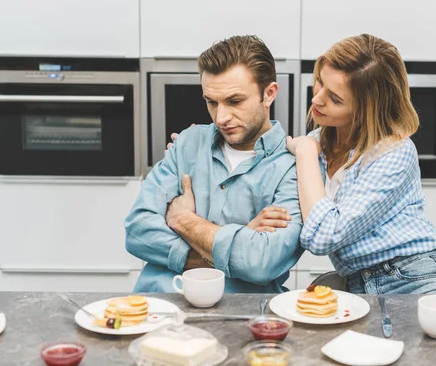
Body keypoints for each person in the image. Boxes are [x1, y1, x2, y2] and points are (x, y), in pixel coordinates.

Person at [284, 33, 436, 294]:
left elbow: (323, 236)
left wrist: (305, 154)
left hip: (415, 279)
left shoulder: (394, 152)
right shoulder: (314, 145)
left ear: (366, 109)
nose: (317, 99)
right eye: (319, 82)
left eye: (335, 98)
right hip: (358, 285)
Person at [125, 35, 303, 293]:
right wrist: (238, 241)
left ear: (269, 94)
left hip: (240, 318)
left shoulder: (294, 167)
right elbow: (138, 231)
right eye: (211, 102)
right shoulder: (187, 143)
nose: (221, 117)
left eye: (234, 101)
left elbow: (260, 263)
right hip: (159, 309)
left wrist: (184, 220)